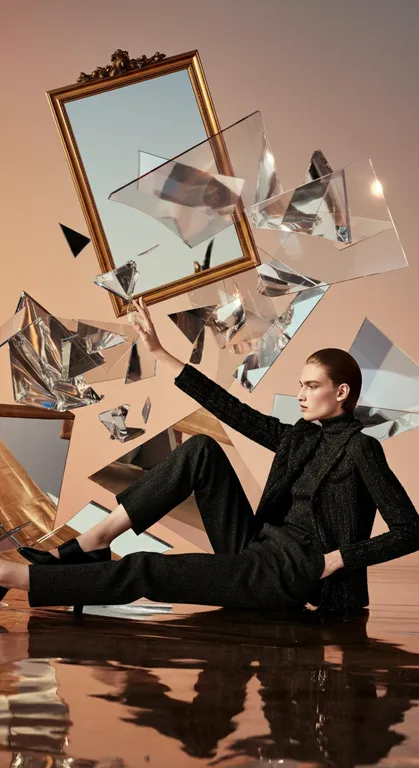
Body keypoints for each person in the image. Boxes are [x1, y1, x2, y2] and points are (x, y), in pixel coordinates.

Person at [1, 298, 419, 617]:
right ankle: (96, 539)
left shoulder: (361, 449)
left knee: (147, 568)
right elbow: (232, 411)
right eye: (300, 385)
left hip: (292, 572)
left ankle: (18, 578)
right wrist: (160, 352)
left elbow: (410, 531)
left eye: (312, 386)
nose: (301, 395)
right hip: (257, 546)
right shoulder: (301, 437)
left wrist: (337, 560)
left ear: (341, 392)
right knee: (201, 449)